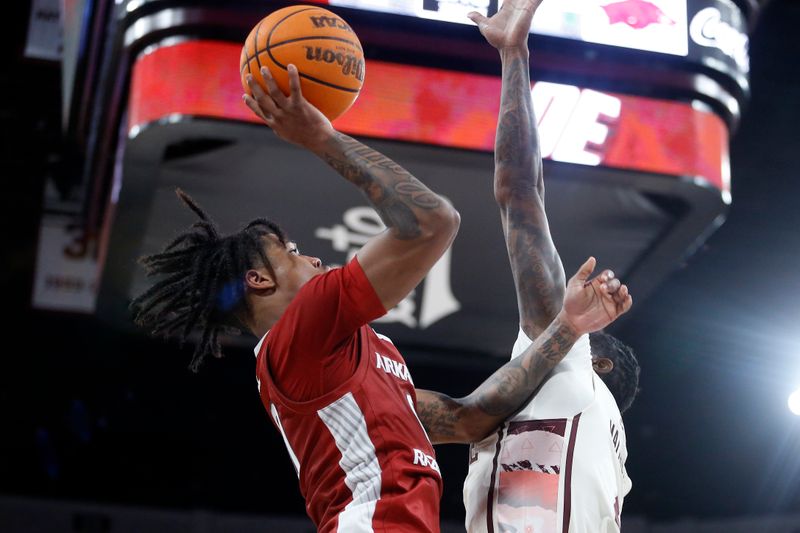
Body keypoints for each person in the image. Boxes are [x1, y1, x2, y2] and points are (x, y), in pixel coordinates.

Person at [130, 63, 632, 532]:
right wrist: (322, 139)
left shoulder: (354, 356)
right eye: (292, 252)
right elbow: (433, 221)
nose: (314, 260)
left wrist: (567, 329)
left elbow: (468, 417)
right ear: (259, 280)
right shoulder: (300, 332)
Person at [462, 1, 641, 532]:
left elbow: (520, 192)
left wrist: (514, 55)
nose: (527, 356)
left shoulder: (568, 372)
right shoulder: (616, 468)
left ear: (596, 364)